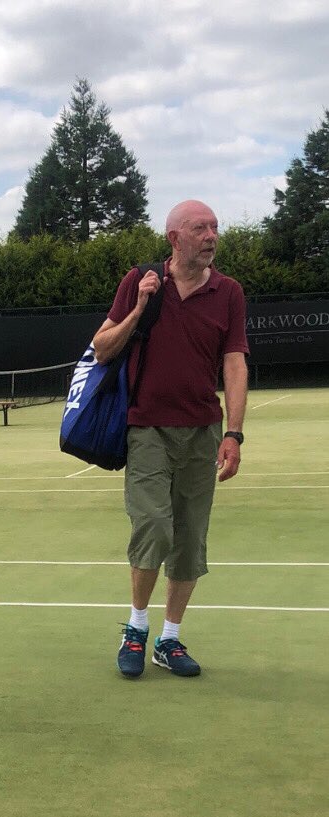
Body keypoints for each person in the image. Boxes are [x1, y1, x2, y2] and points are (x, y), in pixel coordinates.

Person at [93, 199, 249, 678]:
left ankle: (170, 639)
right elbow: (101, 349)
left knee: (190, 538)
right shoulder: (140, 280)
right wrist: (140, 307)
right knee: (154, 526)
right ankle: (136, 628)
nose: (211, 236)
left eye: (215, 228)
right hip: (147, 429)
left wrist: (234, 433)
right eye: (200, 228)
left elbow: (234, 363)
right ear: (174, 238)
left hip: (202, 432)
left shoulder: (229, 292)